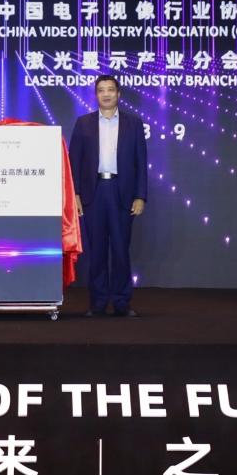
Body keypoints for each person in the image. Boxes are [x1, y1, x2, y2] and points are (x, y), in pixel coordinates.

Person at [68, 74, 147, 317]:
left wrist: (140, 196)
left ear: (118, 94)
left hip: (122, 192)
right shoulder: (84, 123)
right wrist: (75, 194)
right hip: (94, 193)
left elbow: (141, 163)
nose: (106, 94)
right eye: (101, 90)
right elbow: (74, 162)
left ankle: (122, 303)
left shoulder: (134, 124)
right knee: (97, 251)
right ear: (96, 95)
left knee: (121, 250)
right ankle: (98, 303)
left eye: (110, 89)